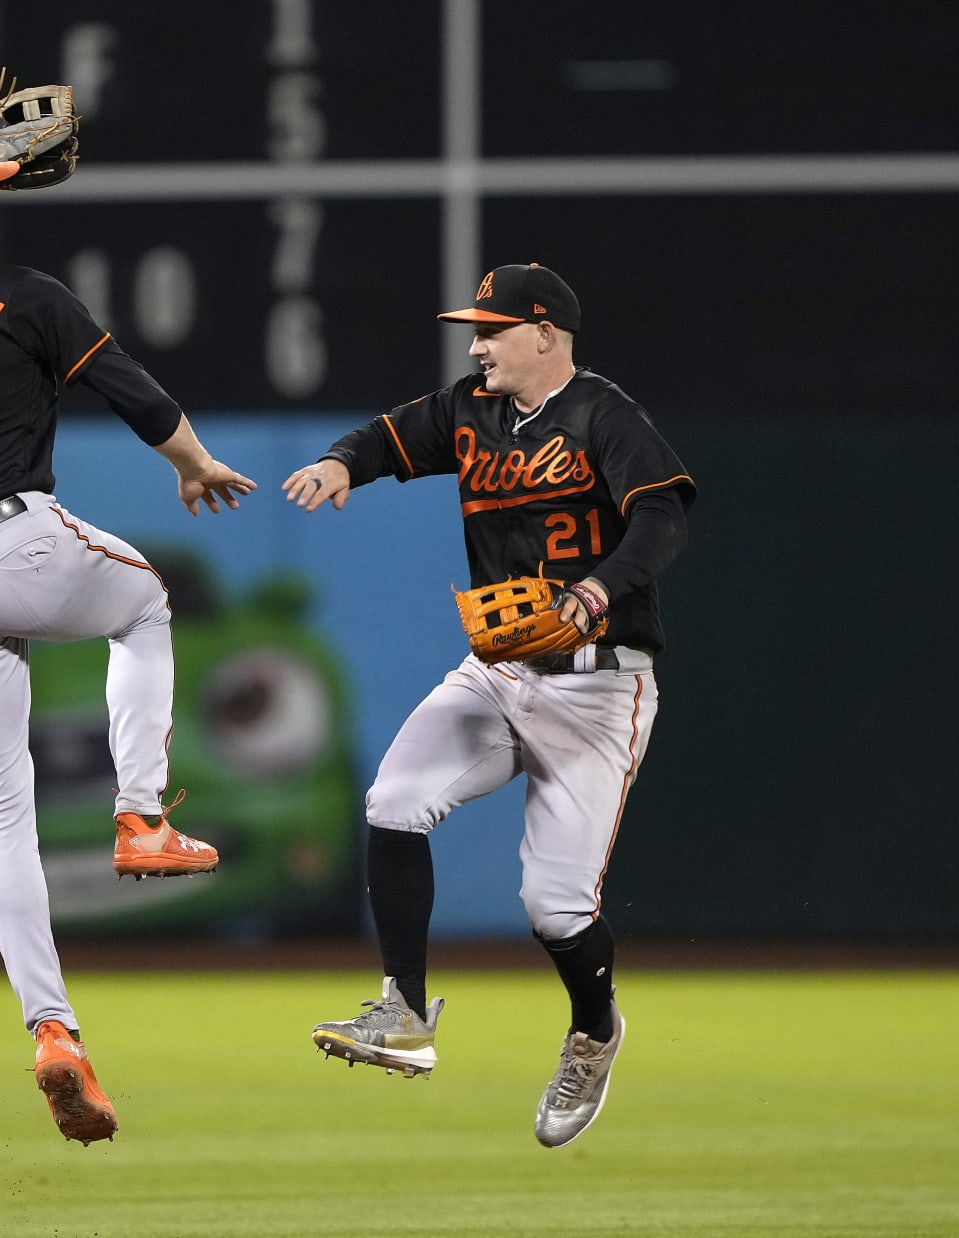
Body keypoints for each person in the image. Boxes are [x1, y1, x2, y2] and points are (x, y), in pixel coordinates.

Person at [0, 133, 255, 1146]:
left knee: (0, 822)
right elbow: (134, 392)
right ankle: (140, 814)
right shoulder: (25, 295)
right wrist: (193, 462)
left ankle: (55, 1028)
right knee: (148, 603)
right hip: (11, 540)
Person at [283, 263, 693, 1148]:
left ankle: (594, 1031)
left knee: (554, 909)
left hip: (598, 682)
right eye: (474, 329)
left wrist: (595, 588)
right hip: (501, 674)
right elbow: (388, 437)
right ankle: (402, 1013)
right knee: (394, 801)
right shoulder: (470, 407)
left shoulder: (602, 414)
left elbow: (663, 519)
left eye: (492, 330)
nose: (476, 345)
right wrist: (337, 461)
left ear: (545, 334)